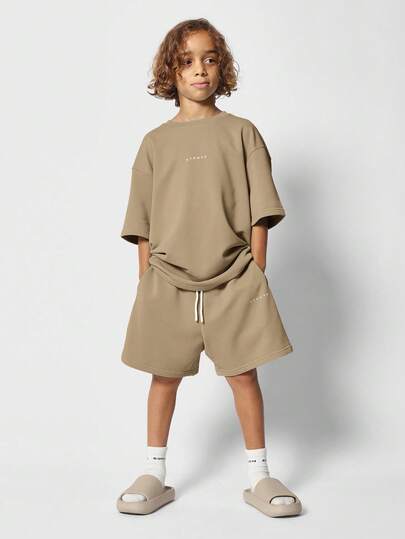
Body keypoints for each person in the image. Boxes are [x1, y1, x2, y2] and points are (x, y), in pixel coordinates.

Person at [116, 18, 302, 518]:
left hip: (234, 278)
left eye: (209, 59)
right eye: (187, 61)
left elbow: (261, 209)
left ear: (222, 68)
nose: (199, 69)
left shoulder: (242, 133)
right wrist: (146, 279)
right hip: (167, 281)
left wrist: (255, 269)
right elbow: (141, 220)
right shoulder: (154, 143)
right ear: (170, 72)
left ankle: (260, 476)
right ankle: (154, 471)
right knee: (163, 377)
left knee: (243, 376)